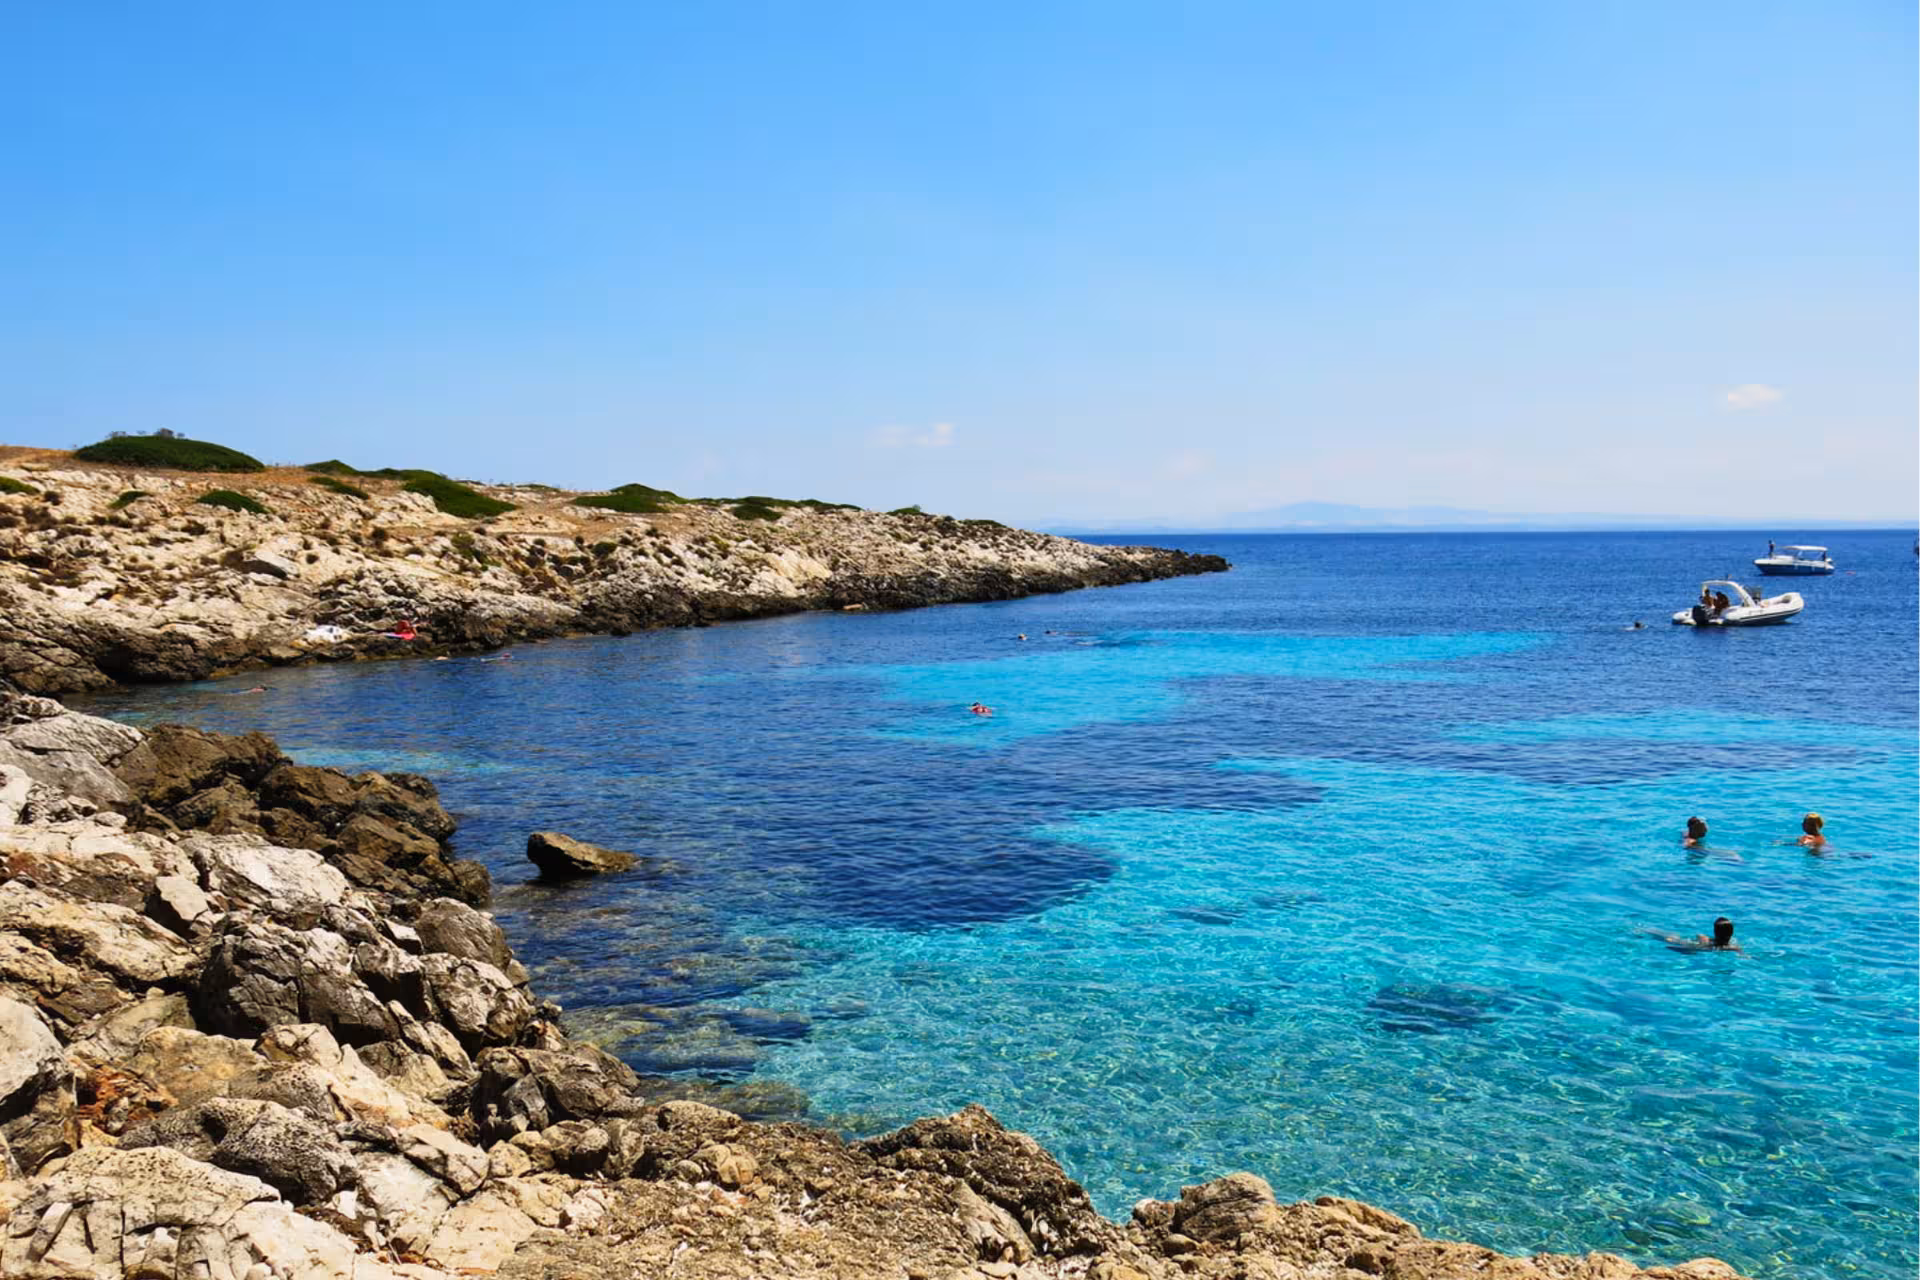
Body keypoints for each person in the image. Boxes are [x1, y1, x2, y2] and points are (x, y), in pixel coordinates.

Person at [1650, 917, 1742, 953]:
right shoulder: (1733, 947)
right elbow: (1741, 953)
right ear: (1731, 932)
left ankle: (1644, 931)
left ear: (1715, 931)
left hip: (1686, 944)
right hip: (1691, 946)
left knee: (1668, 938)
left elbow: (1699, 936)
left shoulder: (1708, 942)